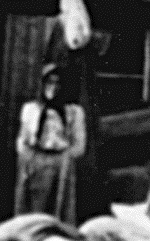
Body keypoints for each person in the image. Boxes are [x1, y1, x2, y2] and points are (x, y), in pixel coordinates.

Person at [13, 54, 97, 224]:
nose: (54, 87)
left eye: (58, 83)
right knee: (32, 215)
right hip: (35, 163)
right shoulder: (31, 109)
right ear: (42, 85)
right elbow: (21, 141)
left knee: (57, 213)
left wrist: (63, 158)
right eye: (49, 82)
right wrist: (29, 156)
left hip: (61, 166)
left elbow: (79, 146)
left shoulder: (73, 112)